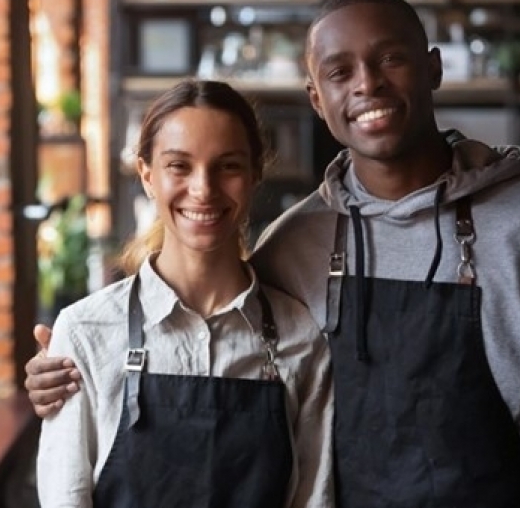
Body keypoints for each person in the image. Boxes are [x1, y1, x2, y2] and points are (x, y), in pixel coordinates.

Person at [27, 0, 520, 506]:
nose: (365, 83)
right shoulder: (296, 244)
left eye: (389, 57)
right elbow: (210, 354)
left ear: (432, 68)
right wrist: (67, 370)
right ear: (318, 98)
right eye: (339, 71)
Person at [34, 79, 334, 508]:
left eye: (227, 166)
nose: (203, 189)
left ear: (254, 175)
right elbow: (66, 497)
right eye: (179, 165)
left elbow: (314, 499)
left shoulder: (301, 337)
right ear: (146, 175)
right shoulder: (85, 331)